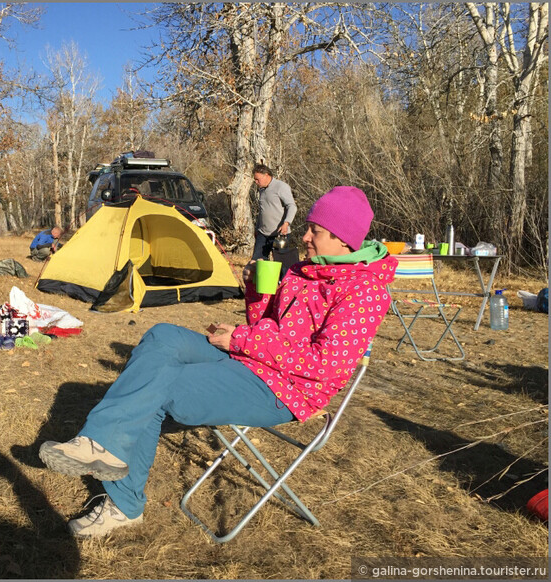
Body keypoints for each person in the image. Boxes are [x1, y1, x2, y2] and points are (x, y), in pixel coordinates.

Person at [38, 186, 397, 538]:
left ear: (343, 239)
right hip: (252, 359)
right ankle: (104, 444)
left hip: (285, 390)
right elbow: (266, 326)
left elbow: (324, 366)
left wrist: (242, 339)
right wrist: (256, 290)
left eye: (315, 231)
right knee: (162, 337)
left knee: (159, 386)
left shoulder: (365, 291)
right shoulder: (307, 269)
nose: (305, 237)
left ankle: (121, 501)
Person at [251, 163, 297, 262]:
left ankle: (282, 278)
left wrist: (286, 223)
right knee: (256, 262)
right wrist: (257, 228)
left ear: (266, 175)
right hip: (262, 234)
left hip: (280, 234)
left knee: (282, 264)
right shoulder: (261, 190)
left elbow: (292, 206)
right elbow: (263, 211)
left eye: (258, 179)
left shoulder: (281, 186)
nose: (256, 182)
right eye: (255, 179)